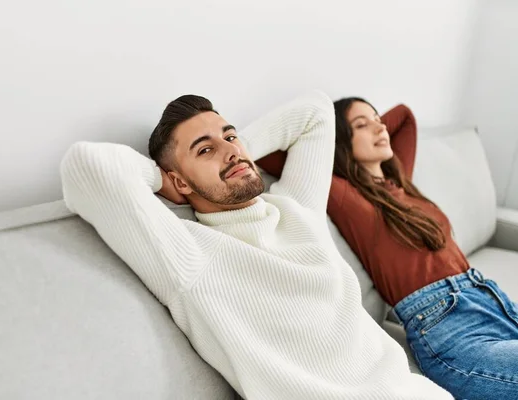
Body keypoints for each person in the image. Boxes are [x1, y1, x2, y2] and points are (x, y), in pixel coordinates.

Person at [60, 91, 452, 400]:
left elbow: (315, 111)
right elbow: (87, 166)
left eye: (230, 136)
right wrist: (167, 179)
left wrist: (233, 148)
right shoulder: (189, 255)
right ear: (179, 182)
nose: (231, 150)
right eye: (205, 150)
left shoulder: (297, 211)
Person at [256, 97, 518, 400]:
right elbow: (272, 156)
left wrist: (365, 124)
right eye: (362, 125)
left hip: (491, 301)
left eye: (378, 120)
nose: (380, 127)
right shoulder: (343, 193)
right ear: (340, 142)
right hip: (447, 323)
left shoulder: (399, 181)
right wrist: (336, 130)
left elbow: (404, 117)